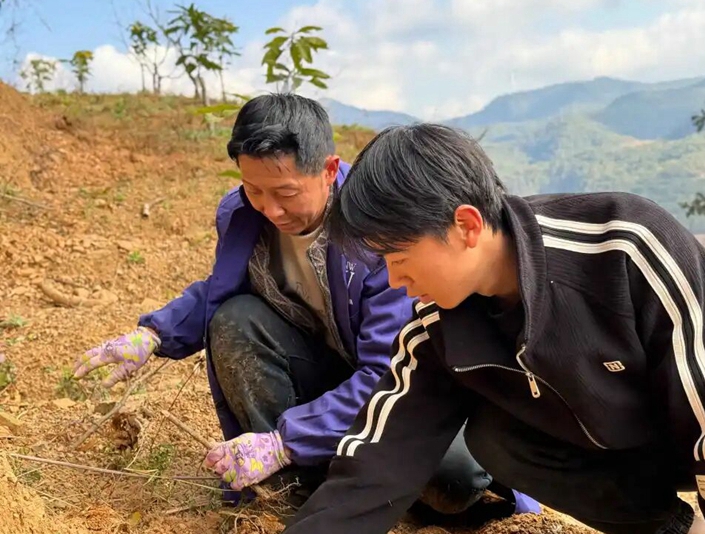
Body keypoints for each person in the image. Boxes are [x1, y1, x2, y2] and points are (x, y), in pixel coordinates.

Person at [281, 122, 705, 534]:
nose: (395, 280)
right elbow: (381, 452)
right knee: (497, 438)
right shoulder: (440, 323)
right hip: (643, 432)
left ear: (465, 225)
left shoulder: (621, 246)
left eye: (399, 256)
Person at [72, 95, 537, 520]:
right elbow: (221, 289)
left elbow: (387, 372)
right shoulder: (243, 216)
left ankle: (315, 457)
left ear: (329, 169)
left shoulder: (378, 233)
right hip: (329, 368)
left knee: (455, 480)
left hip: (408, 385)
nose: (270, 209)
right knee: (236, 320)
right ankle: (289, 483)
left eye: (286, 193)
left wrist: (284, 440)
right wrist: (152, 335)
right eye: (254, 189)